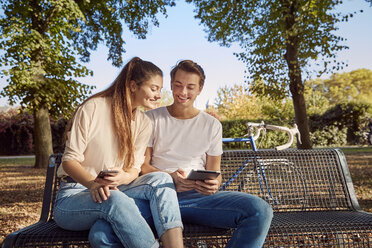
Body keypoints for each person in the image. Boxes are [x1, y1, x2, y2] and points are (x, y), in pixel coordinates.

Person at [91, 59, 273, 247]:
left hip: (197, 198)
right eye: (178, 85)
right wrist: (170, 177)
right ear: (171, 85)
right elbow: (142, 167)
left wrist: (213, 184)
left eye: (190, 87)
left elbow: (215, 172)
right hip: (156, 196)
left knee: (260, 210)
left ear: (200, 89)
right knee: (101, 234)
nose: (183, 92)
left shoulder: (212, 125)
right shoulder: (151, 118)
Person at [54, 57, 184, 248]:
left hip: (118, 190)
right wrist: (92, 184)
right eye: (154, 88)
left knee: (162, 179)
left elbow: (134, 169)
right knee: (112, 199)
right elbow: (69, 161)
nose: (159, 95)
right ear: (133, 86)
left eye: (160, 89)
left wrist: (123, 177)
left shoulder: (143, 123)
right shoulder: (93, 108)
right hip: (73, 196)